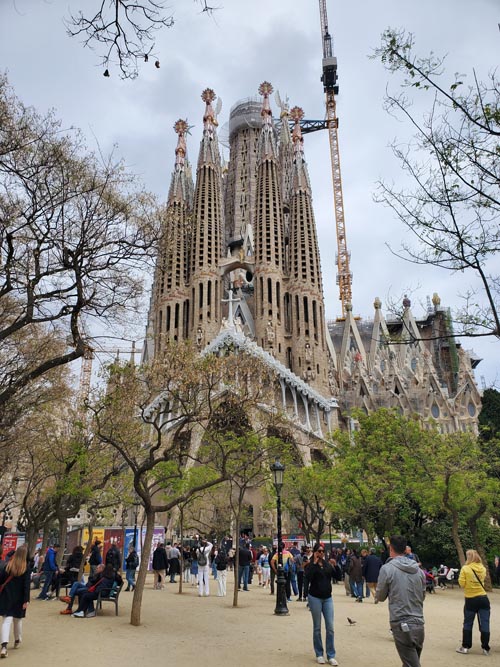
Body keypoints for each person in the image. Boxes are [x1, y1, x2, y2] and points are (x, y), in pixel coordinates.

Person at [375, 535, 426, 667]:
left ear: (391, 548)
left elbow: (380, 597)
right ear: (405, 549)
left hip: (400, 621)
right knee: (410, 661)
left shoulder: (387, 569)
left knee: (411, 663)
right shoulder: (419, 571)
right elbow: (423, 595)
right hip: (419, 622)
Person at [306, 543, 339, 666]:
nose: (321, 553)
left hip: (327, 598)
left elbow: (337, 576)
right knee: (317, 627)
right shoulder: (310, 565)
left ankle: (331, 655)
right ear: (314, 552)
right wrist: (314, 563)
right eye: (319, 551)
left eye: (322, 551)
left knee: (330, 627)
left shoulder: (327, 565)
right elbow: (308, 577)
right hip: (315, 597)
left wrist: (336, 566)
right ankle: (319, 653)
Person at [456, 549, 491, 656]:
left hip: (471, 599)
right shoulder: (483, 568)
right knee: (484, 623)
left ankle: (466, 646)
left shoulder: (465, 568)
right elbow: (483, 580)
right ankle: (485, 648)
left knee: (468, 623)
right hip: (483, 598)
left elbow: (462, 584)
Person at [0, 545, 30, 658]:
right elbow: (26, 586)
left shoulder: (8, 566)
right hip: (19, 598)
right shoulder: (26, 568)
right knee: (18, 621)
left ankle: (3, 646)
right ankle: (17, 639)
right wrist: (26, 600)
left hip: (6, 597)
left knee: (6, 621)